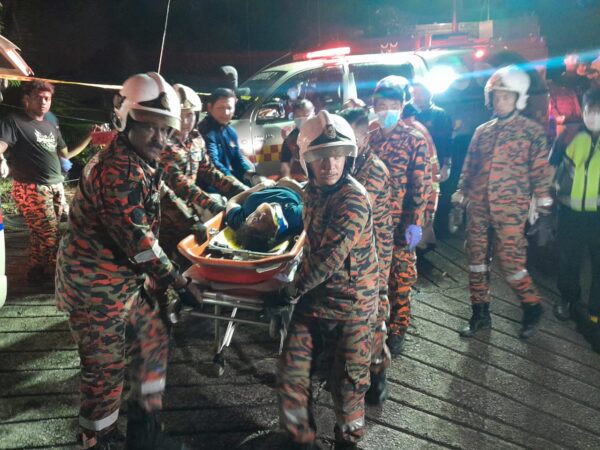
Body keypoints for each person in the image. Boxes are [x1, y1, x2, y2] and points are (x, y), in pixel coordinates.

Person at [55, 72, 201, 450]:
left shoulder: (140, 159)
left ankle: (145, 432)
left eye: (166, 129)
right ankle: (97, 439)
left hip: (126, 282)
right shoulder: (116, 169)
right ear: (126, 122)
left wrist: (198, 221)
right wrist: (179, 282)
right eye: (150, 127)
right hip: (94, 288)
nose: (160, 138)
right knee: (105, 371)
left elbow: (163, 196)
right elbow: (140, 244)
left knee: (153, 339)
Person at [275, 110, 378, 450]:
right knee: (292, 372)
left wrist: (289, 289)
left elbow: (328, 258)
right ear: (307, 160)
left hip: (352, 306)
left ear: (348, 157)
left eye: (337, 155)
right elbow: (306, 234)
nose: (329, 164)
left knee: (347, 385)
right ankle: (300, 439)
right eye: (320, 156)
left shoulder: (354, 198)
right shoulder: (311, 192)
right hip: (315, 299)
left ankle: (347, 442)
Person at [452, 65, 554, 340]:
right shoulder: (482, 131)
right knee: (476, 261)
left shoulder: (531, 132)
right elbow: (469, 166)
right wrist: (460, 195)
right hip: (478, 207)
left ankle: (532, 307)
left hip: (511, 209)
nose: (500, 102)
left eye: (506, 97)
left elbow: (540, 172)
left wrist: (544, 210)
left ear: (518, 98)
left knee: (511, 262)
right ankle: (480, 314)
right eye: (496, 96)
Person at [0, 80, 95, 282]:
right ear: (26, 99)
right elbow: (1, 145)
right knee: (49, 234)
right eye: (38, 97)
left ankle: (36, 270)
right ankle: (56, 274)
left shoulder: (51, 126)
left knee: (41, 233)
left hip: (55, 185)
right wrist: (1, 159)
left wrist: (90, 137)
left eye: (47, 98)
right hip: (31, 188)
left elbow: (66, 155)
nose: (43, 101)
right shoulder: (14, 121)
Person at [369, 75, 430, 355]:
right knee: (376, 275)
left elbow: (420, 186)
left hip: (402, 223)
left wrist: (414, 225)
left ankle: (399, 326)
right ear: (374, 106)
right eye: (382, 105)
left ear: (402, 106)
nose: (387, 111)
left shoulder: (415, 140)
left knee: (401, 276)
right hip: (373, 224)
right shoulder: (370, 138)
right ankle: (377, 322)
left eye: (393, 105)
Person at [339, 107, 393, 406]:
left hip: (374, 257)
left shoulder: (374, 170)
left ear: (365, 137)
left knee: (374, 316)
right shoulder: (349, 162)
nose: (347, 141)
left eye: (352, 135)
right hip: (353, 253)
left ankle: (377, 372)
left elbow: (352, 212)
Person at [159, 83, 247, 256]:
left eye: (190, 114)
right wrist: (212, 205)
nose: (186, 121)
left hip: (193, 209)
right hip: (169, 215)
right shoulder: (162, 144)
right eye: (180, 115)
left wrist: (240, 189)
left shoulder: (195, 139)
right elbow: (181, 184)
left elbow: (209, 171)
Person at [549, 88, 600, 352]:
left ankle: (595, 311)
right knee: (569, 260)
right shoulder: (569, 136)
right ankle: (568, 300)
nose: (595, 116)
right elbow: (551, 168)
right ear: (584, 109)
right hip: (569, 212)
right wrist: (543, 200)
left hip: (598, 216)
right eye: (591, 110)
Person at [197, 87, 257, 185]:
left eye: (229, 108)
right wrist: (236, 183)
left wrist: (253, 176)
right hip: (213, 185)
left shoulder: (230, 132)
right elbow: (214, 164)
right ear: (210, 107)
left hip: (229, 181)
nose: (226, 113)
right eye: (220, 108)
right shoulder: (204, 132)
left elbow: (238, 161)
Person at [225, 177, 304, 252]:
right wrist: (294, 185)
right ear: (273, 232)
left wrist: (259, 186)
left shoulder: (239, 221)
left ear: (247, 219)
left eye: (255, 219)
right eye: (266, 222)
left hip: (261, 186)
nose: (263, 215)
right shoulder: (293, 217)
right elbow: (309, 201)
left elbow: (232, 201)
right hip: (291, 188)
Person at [280, 99, 314, 181]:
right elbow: (285, 165)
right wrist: (288, 182)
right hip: (302, 180)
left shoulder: (322, 134)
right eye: (298, 117)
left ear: (313, 113)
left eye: (306, 116)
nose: (302, 120)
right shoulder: (290, 140)